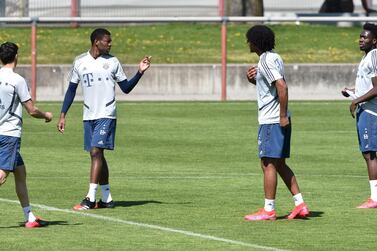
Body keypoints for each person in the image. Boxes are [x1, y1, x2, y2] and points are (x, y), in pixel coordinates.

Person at [57, 28, 151, 210]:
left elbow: (125, 88)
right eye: (107, 41)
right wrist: (63, 114)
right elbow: (71, 90)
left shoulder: (113, 62)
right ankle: (107, 198)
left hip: (106, 114)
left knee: (95, 152)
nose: (110, 44)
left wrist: (140, 72)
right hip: (88, 115)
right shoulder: (80, 62)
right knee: (98, 155)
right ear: (96, 42)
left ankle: (90, 198)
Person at [243, 25, 309, 221]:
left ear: (255, 42)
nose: (248, 43)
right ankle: (300, 204)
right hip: (276, 117)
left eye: (249, 40)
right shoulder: (274, 57)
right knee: (279, 164)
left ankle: (268, 210)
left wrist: (281, 116)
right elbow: (273, 87)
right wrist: (254, 81)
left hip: (272, 120)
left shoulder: (265, 61)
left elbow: (282, 87)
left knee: (268, 163)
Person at [0, 42, 53, 227]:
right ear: (16, 57)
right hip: (9, 134)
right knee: (2, 176)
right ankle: (29, 216)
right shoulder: (17, 80)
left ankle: (29, 217)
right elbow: (31, 110)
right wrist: (46, 115)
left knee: (20, 173)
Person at [342, 22, 377, 208]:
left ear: (375, 41)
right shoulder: (366, 58)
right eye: (361, 37)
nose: (361, 40)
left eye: (365, 37)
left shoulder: (373, 57)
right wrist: (352, 91)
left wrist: (356, 101)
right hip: (365, 109)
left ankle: (375, 198)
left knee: (370, 153)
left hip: (371, 111)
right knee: (367, 153)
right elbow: (368, 85)